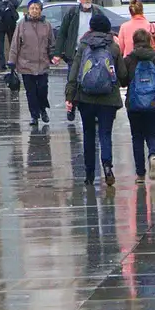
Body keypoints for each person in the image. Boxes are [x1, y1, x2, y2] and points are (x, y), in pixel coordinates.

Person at [64, 14, 123, 186]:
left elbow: (74, 72)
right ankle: (106, 165)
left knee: (88, 134)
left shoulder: (83, 45)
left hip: (86, 98)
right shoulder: (113, 46)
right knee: (105, 133)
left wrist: (70, 96)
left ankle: (89, 174)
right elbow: (122, 73)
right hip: (108, 98)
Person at [119, 28, 155, 183]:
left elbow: (123, 81)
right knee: (152, 134)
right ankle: (153, 155)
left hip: (134, 105)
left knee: (137, 137)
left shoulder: (129, 59)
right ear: (149, 41)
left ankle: (140, 174)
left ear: (134, 42)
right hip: (152, 103)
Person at [7, 0, 56, 126]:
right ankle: (34, 115)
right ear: (28, 10)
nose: (34, 10)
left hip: (42, 63)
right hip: (26, 64)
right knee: (31, 92)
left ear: (40, 10)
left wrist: (53, 56)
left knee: (42, 89)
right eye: (32, 8)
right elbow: (15, 44)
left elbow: (52, 44)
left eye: (37, 8)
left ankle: (43, 109)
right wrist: (11, 61)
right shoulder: (22, 24)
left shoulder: (47, 25)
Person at [55, 0, 106, 65]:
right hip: (74, 53)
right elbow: (62, 33)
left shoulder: (98, 13)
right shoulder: (72, 13)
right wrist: (57, 54)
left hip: (93, 52)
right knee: (72, 76)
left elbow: (105, 32)